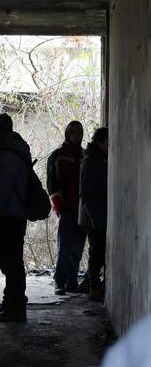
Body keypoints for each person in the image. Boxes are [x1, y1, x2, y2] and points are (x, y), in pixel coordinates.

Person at [0, 113, 31, 322]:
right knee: (13, 262)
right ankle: (11, 303)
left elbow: (2, 187)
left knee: (11, 264)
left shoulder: (8, 155)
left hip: (9, 215)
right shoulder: (16, 150)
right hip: (16, 214)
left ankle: (15, 307)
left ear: (1, 132)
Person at [46, 121, 87, 295]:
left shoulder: (85, 155)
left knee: (77, 247)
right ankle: (60, 281)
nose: (77, 135)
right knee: (64, 247)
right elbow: (52, 183)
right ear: (68, 133)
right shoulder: (58, 155)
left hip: (83, 209)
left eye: (79, 132)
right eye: (74, 132)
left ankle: (72, 281)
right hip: (68, 208)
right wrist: (59, 205)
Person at [78, 127, 108, 302]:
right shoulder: (91, 160)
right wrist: (95, 217)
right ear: (102, 141)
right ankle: (94, 287)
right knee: (96, 250)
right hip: (93, 214)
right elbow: (86, 193)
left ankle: (95, 285)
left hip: (96, 212)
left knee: (98, 250)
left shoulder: (98, 158)